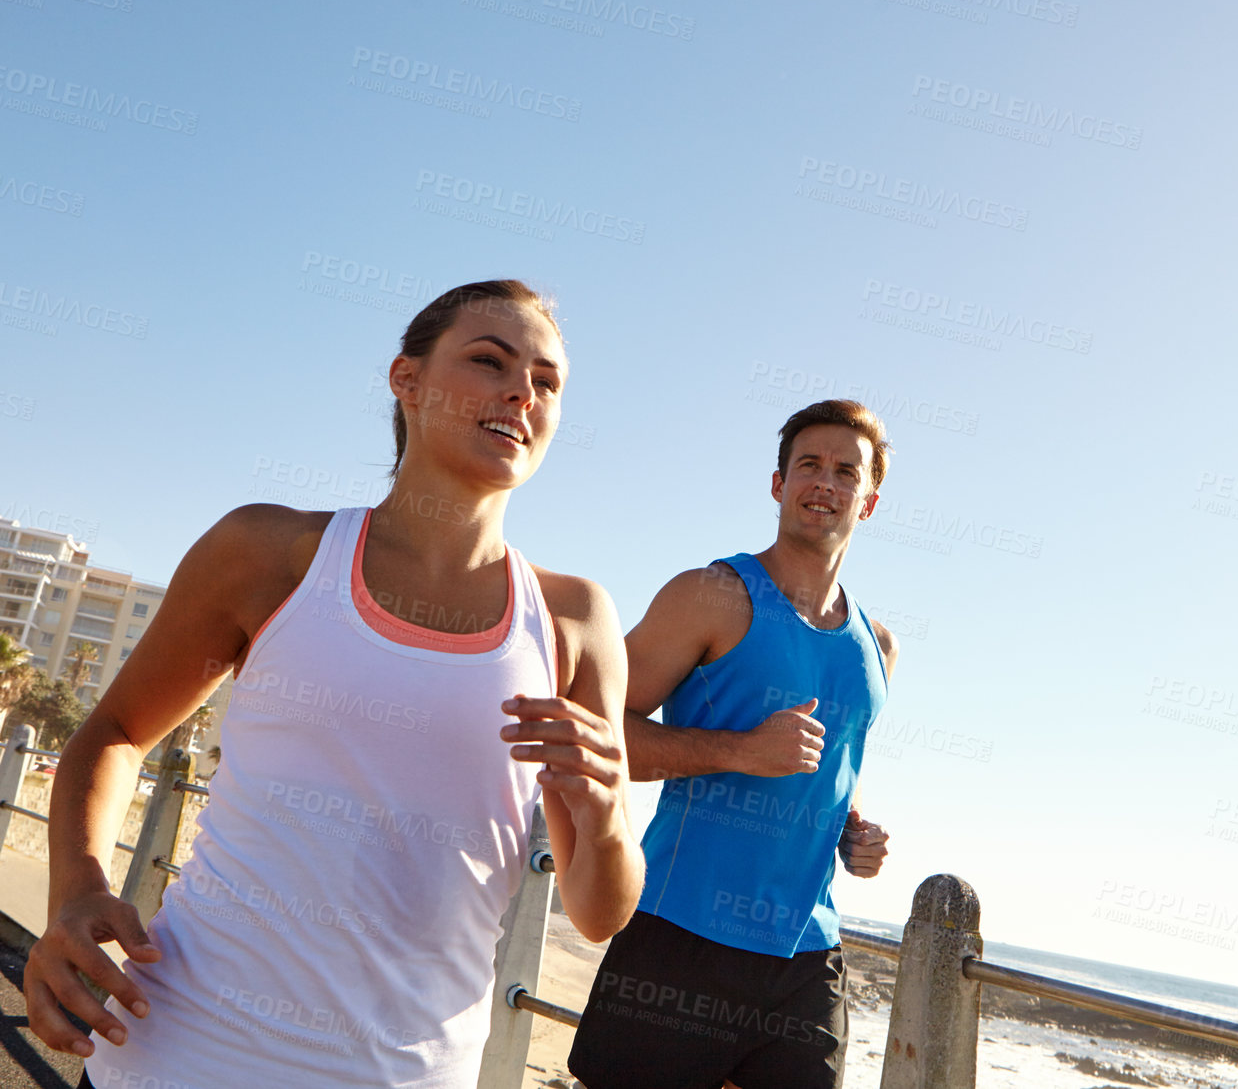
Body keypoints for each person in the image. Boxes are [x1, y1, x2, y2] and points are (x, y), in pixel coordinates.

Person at [24, 280, 644, 1088]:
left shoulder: (574, 621)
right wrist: (77, 891)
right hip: (179, 1055)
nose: (522, 391)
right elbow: (115, 735)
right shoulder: (269, 553)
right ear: (407, 380)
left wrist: (599, 820)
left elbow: (599, 913)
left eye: (547, 380)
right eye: (489, 361)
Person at [568, 399, 898, 1089]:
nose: (824, 483)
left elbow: (835, 760)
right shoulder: (709, 595)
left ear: (868, 501)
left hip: (809, 955)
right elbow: (596, 727)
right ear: (777, 484)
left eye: (846, 471)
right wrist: (739, 752)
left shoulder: (879, 646)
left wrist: (854, 827)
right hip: (679, 938)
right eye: (808, 464)